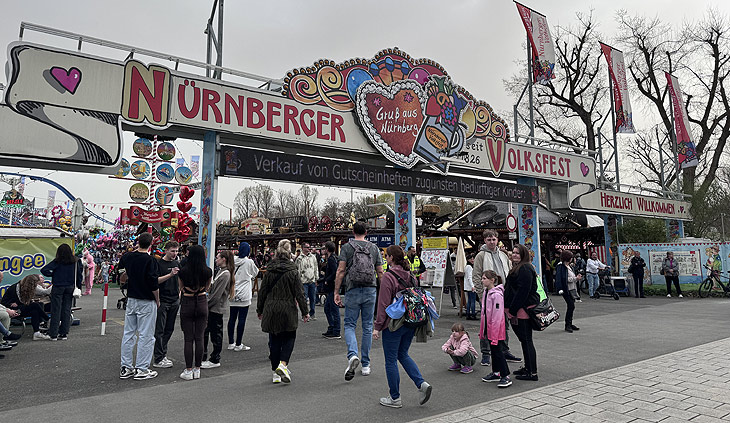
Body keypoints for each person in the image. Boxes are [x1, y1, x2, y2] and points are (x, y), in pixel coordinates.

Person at [373, 245, 432, 408]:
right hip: (411, 321)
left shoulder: (388, 276)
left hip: (393, 324)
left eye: (386, 255)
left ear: (391, 258)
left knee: (390, 360)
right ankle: (421, 384)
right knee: (403, 354)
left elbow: (383, 304)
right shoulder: (411, 275)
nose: (385, 258)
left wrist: (378, 326)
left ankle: (395, 397)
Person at [335, 221, 383, 381]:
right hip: (370, 289)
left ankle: (352, 355)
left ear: (353, 231)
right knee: (368, 326)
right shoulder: (374, 248)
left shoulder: (347, 248)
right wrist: (383, 292)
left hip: (352, 289)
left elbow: (341, 270)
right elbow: (380, 272)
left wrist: (336, 291)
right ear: (367, 232)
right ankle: (366, 365)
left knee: (349, 324)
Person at [256, 239, 309, 384]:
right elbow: (299, 293)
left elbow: (263, 292)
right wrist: (305, 311)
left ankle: (275, 372)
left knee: (274, 339)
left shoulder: (270, 269)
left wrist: (259, 309)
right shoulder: (292, 271)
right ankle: (283, 364)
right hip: (288, 308)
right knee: (289, 336)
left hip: (271, 307)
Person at [472, 229, 521, 366]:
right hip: (489, 294)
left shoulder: (503, 255)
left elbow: (509, 272)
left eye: (494, 239)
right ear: (484, 241)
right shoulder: (480, 256)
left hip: (503, 294)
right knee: (487, 325)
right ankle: (486, 353)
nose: (492, 242)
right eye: (489, 240)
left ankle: (504, 350)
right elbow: (476, 276)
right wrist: (482, 295)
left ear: (497, 239)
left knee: (503, 323)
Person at [117, 232, 161, 380]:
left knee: (129, 333)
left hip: (131, 298)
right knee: (146, 335)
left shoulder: (127, 257)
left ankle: (126, 367)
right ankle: (142, 368)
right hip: (146, 300)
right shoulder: (151, 261)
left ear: (138, 242)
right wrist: (157, 299)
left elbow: (121, 275)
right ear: (151, 244)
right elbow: (153, 282)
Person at [177, 245, 213, 380]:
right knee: (200, 337)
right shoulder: (208, 271)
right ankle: (198, 368)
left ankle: (188, 369)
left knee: (188, 338)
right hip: (202, 301)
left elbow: (180, 288)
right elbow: (208, 287)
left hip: (187, 301)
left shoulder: (183, 271)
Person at [505, 244, 540, 381]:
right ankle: (528, 367)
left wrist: (512, 310)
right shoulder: (520, 267)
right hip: (518, 310)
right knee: (524, 341)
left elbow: (522, 292)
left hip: (521, 311)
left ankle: (532, 372)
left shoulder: (525, 268)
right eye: (513, 252)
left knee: (526, 341)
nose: (514, 255)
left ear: (523, 255)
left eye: (518, 253)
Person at [40, 243, 83, 340]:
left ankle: (53, 333)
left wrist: (53, 274)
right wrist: (78, 287)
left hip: (58, 287)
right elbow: (79, 276)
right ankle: (64, 333)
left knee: (56, 310)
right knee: (66, 310)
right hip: (70, 287)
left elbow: (44, 270)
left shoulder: (57, 262)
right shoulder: (75, 261)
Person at [201, 250, 235, 369]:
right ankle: (208, 356)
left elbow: (217, 295)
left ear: (223, 259)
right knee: (209, 332)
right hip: (214, 307)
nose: (216, 260)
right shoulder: (221, 272)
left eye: (218, 258)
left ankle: (215, 358)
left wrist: (206, 304)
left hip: (216, 308)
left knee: (216, 334)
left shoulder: (225, 274)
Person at [479, 270, 512, 388]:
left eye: (484, 278)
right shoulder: (486, 292)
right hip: (489, 326)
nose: (482, 280)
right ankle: (496, 372)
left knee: (498, 351)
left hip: (495, 328)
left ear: (492, 280)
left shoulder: (496, 295)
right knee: (494, 350)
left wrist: (494, 329)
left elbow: (497, 315)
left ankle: (505, 375)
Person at [153, 241, 180, 369]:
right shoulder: (159, 264)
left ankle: (163, 354)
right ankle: (158, 358)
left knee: (169, 329)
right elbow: (155, 281)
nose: (175, 253)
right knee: (160, 330)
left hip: (175, 300)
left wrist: (180, 292)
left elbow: (180, 279)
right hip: (163, 300)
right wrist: (170, 275)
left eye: (176, 251)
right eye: (172, 251)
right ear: (166, 250)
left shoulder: (177, 263)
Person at [0, 274, 52, 340]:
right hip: (11, 310)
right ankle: (48, 320)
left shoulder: (24, 288)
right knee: (35, 305)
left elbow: (23, 302)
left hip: (18, 307)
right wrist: (12, 304)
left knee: (35, 310)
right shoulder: (17, 288)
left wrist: (19, 303)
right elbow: (19, 302)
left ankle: (37, 333)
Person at [229, 242, 258, 351]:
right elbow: (255, 273)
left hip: (233, 292)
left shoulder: (232, 261)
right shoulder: (249, 262)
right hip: (244, 293)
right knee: (242, 319)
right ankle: (239, 344)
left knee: (232, 318)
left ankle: (231, 342)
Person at [555, 250, 581, 333]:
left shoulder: (569, 266)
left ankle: (570, 323)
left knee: (571, 306)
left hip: (572, 288)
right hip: (566, 289)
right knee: (571, 305)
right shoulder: (561, 266)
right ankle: (567, 325)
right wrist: (575, 278)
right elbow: (563, 279)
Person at [320, 241, 341, 339]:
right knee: (328, 308)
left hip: (332, 286)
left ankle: (335, 330)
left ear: (327, 249)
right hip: (333, 286)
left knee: (332, 309)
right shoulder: (334, 257)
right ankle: (332, 328)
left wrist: (327, 280)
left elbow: (334, 272)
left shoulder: (332, 259)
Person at [295, 242, 319, 321]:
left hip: (312, 280)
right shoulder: (299, 259)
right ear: (303, 248)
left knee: (313, 298)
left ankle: (312, 313)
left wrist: (316, 278)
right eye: (307, 247)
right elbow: (297, 270)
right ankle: (304, 314)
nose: (309, 249)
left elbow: (315, 268)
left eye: (309, 247)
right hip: (303, 281)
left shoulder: (313, 257)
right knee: (304, 299)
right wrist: (298, 281)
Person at [463, 254, 477, 320]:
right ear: (468, 260)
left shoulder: (467, 266)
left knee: (469, 300)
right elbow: (470, 277)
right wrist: (473, 286)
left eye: (473, 258)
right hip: (470, 286)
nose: (472, 260)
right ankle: (473, 314)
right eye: (471, 259)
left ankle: (468, 313)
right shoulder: (470, 267)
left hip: (468, 286)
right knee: (472, 301)